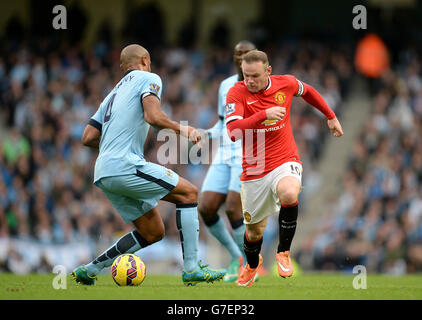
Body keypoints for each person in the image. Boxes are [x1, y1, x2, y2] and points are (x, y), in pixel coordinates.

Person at [72, 44, 226, 286]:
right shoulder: (149, 78)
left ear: (123, 67)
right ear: (145, 60)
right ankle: (192, 268)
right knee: (189, 193)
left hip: (103, 172)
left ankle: (90, 269)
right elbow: (153, 117)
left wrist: (114, 144)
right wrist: (182, 128)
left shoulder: (112, 94)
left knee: (153, 231)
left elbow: (88, 137)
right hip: (124, 165)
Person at [225, 50, 344, 287]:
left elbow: (308, 91)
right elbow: (233, 132)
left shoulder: (286, 83)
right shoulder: (236, 92)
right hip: (255, 169)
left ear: (268, 71)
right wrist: (263, 115)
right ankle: (251, 265)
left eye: (255, 76)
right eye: (246, 75)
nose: (249, 81)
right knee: (254, 232)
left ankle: (283, 252)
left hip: (285, 159)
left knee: (290, 192)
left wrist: (330, 116)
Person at [198, 40, 256, 282]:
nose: (242, 58)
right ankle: (237, 257)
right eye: (238, 54)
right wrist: (206, 134)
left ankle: (249, 266)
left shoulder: (263, 86)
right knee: (206, 207)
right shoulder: (225, 86)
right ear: (234, 58)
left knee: (233, 207)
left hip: (249, 153)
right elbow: (223, 122)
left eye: (246, 54)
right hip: (225, 152)